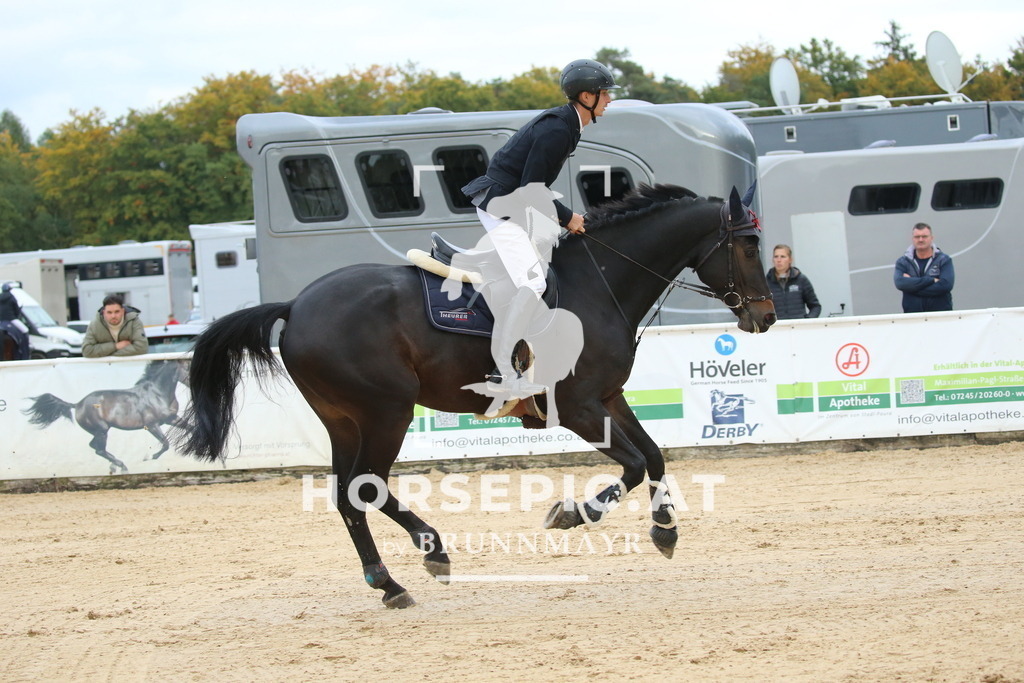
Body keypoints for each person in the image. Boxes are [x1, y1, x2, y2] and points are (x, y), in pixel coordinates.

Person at [459, 58, 620, 404]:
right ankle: (502, 370)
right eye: (605, 94)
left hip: (511, 201)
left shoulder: (569, 124)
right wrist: (568, 217)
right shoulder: (558, 129)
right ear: (587, 96)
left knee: (550, 249)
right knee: (533, 282)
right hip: (500, 205)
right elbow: (532, 188)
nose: (610, 100)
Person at [894, 222, 954, 313]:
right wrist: (931, 280)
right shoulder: (903, 262)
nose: (921, 240)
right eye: (917, 237)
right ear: (912, 239)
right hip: (913, 317)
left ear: (931, 238)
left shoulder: (944, 260)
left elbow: (946, 285)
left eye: (924, 236)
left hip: (940, 317)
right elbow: (900, 283)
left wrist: (912, 287)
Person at [82, 294, 149, 357]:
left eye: (117, 312)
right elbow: (86, 351)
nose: (113, 316)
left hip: (130, 367)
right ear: (104, 312)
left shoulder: (133, 321)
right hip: (105, 368)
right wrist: (116, 346)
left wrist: (109, 355)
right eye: (109, 312)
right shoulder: (95, 325)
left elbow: (141, 347)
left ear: (123, 311)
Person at [766, 245, 821, 319]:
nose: (779, 260)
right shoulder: (766, 282)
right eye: (776, 256)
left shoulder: (801, 280)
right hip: (777, 327)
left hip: (798, 327)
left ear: (790, 260)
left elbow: (815, 306)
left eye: (783, 256)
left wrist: (807, 321)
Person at [0, 282, 31, 360]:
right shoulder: (12, 297)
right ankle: (25, 352)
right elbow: (17, 310)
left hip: (1, 320)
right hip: (11, 319)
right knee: (25, 330)